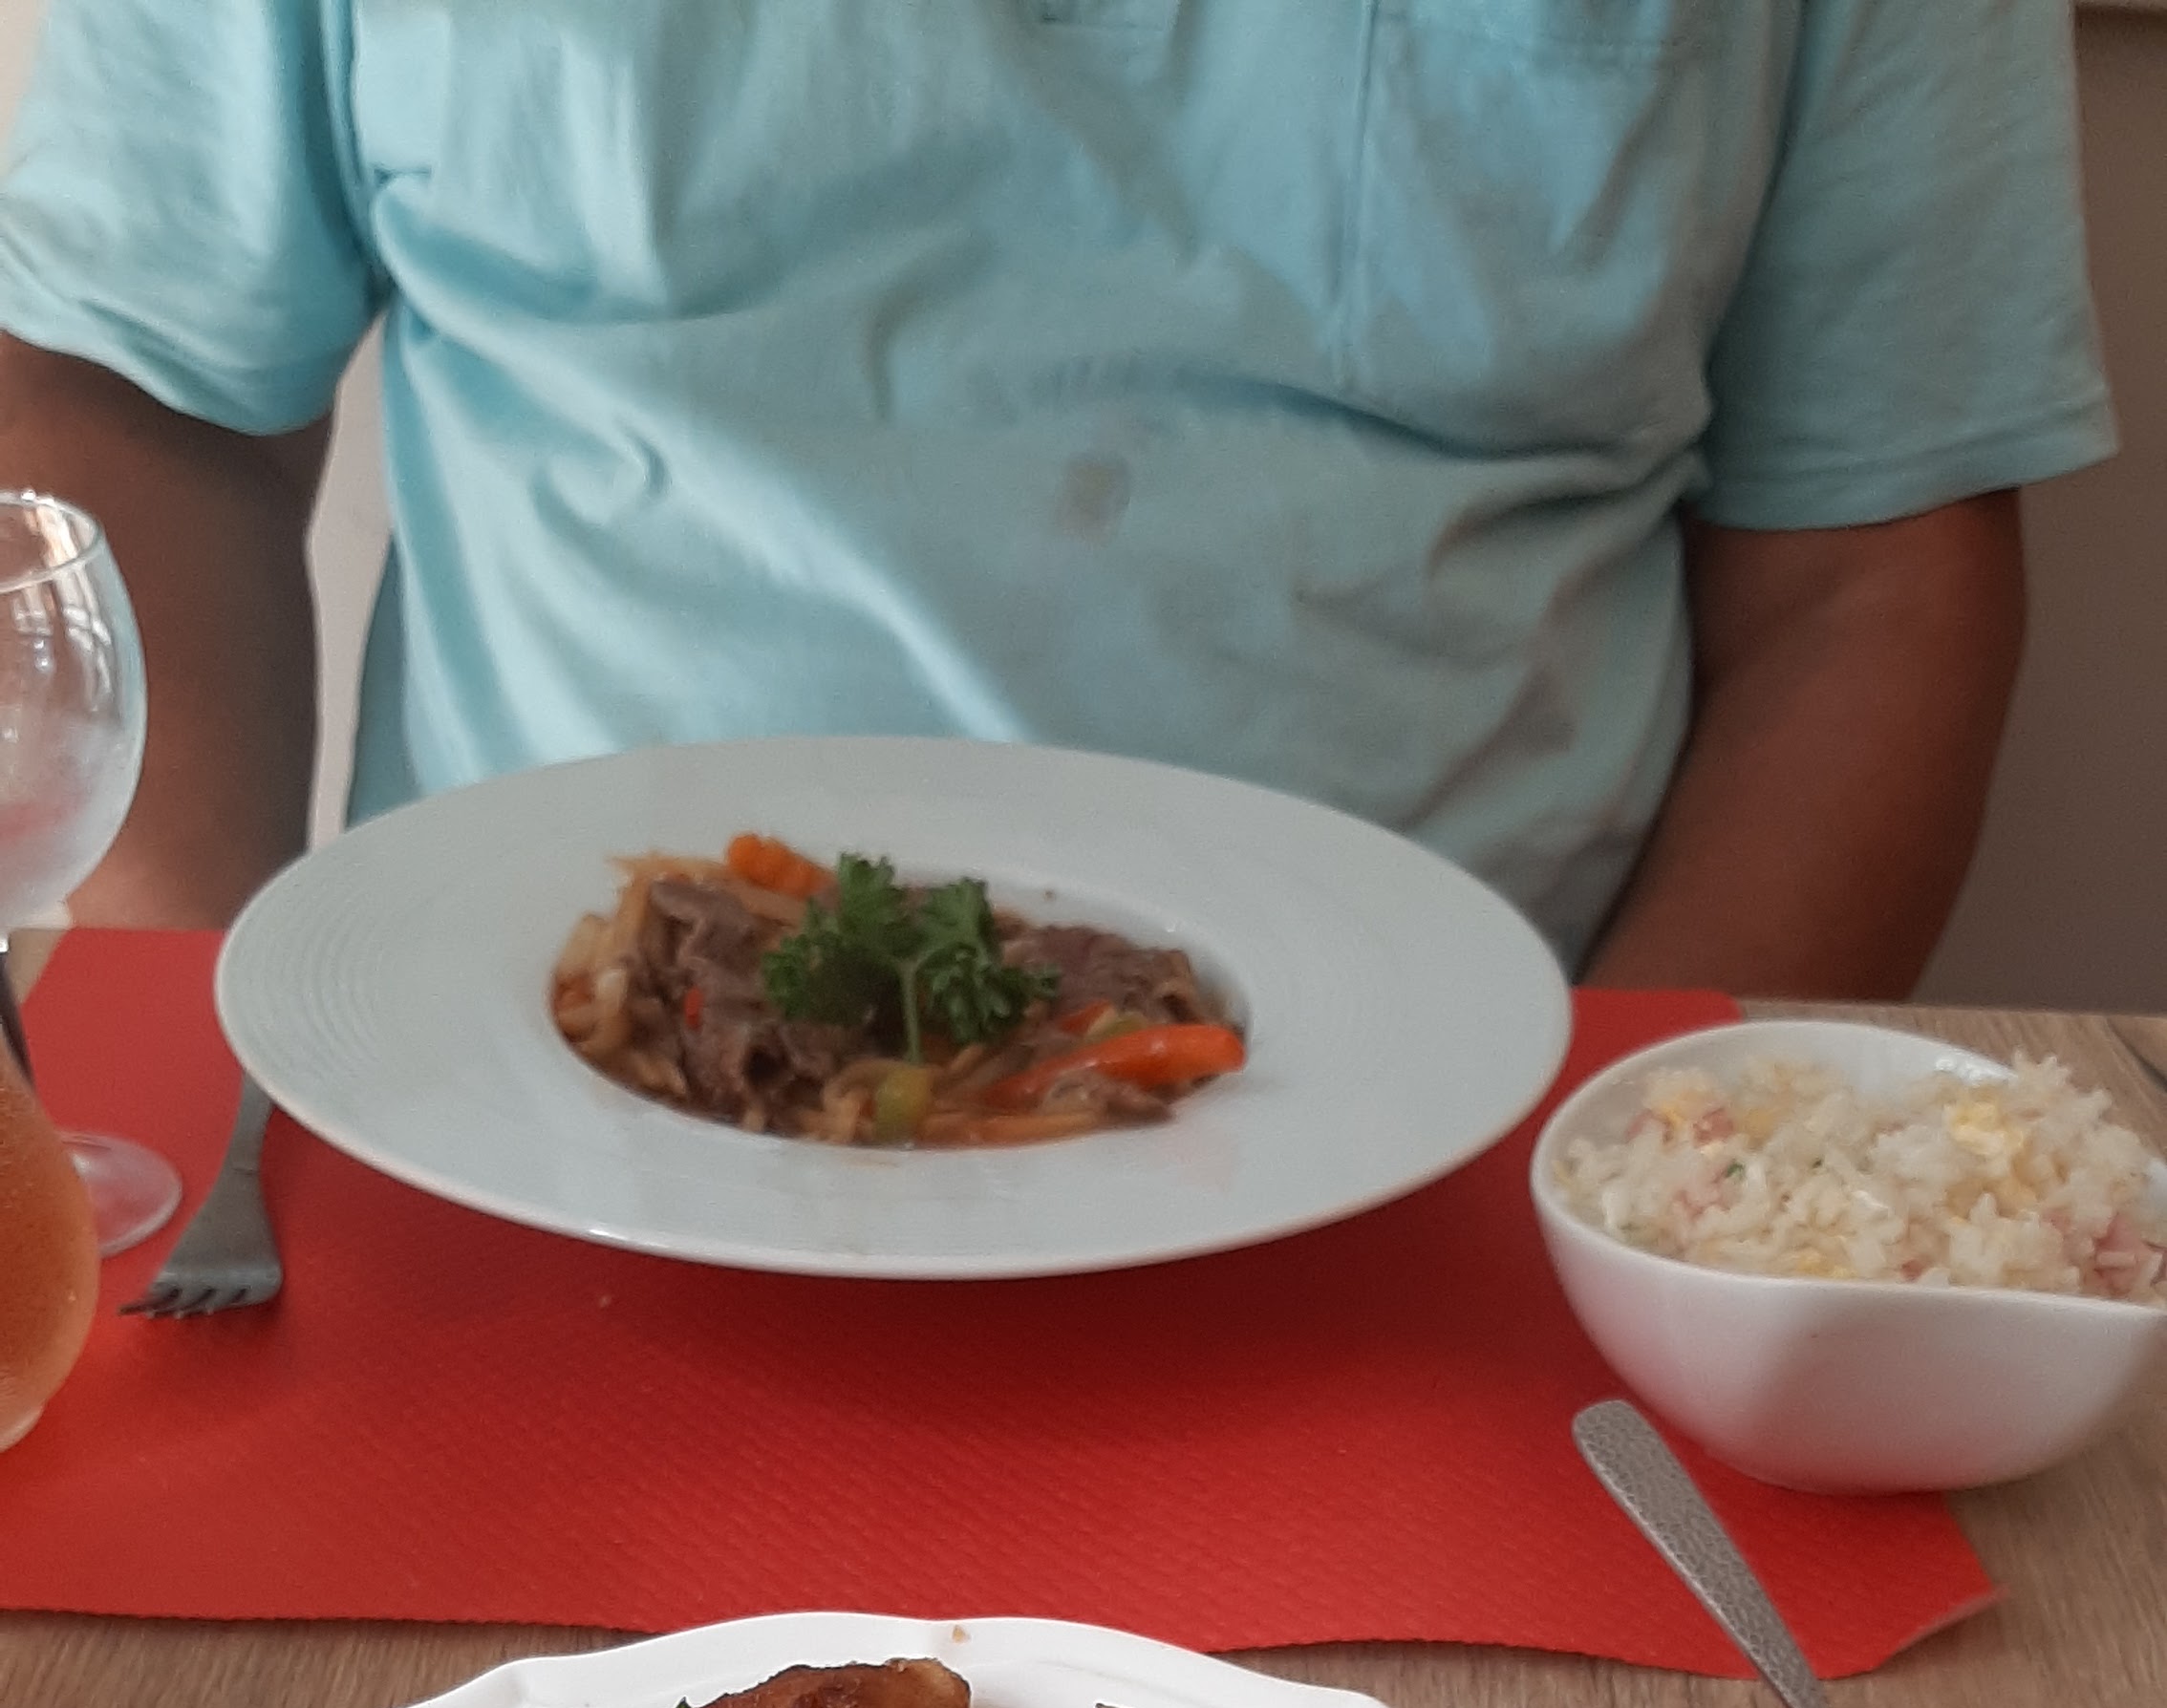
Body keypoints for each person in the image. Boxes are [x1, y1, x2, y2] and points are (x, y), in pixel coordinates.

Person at [0, 2, 2113, 992]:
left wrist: (1611, 1154)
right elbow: (129, 393)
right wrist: (231, 1048)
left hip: (1461, 1207)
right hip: (508, 1126)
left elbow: (1871, 571)